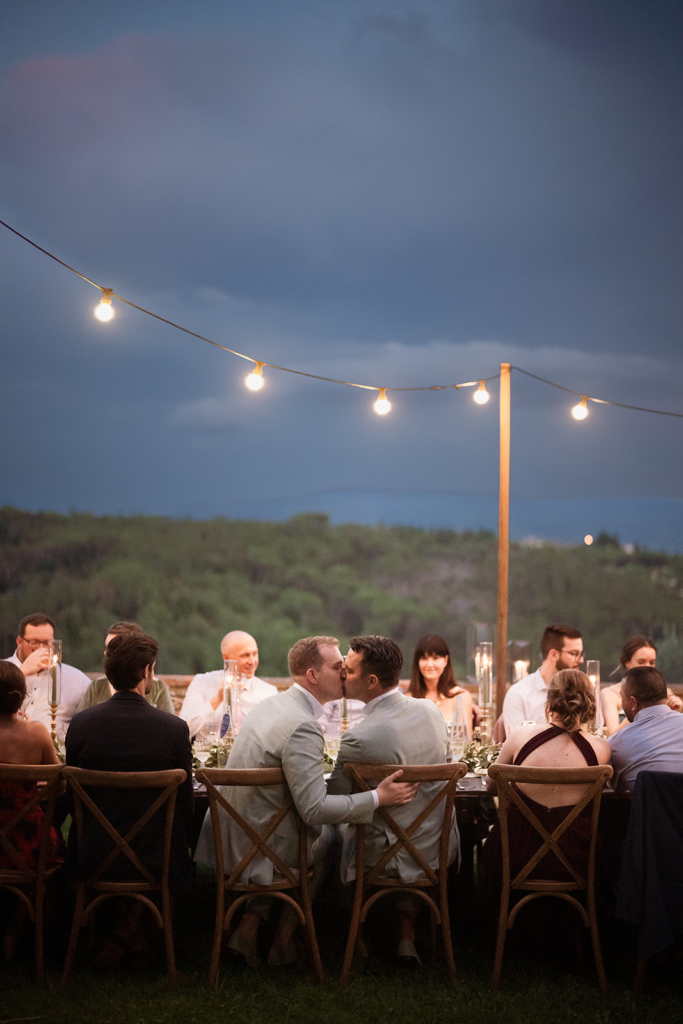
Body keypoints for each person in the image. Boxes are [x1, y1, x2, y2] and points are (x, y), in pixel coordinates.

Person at [194, 635, 418, 967]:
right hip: (255, 845)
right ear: (312, 675)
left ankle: (250, 930)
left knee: (319, 832)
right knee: (333, 840)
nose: (344, 673)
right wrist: (377, 796)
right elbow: (314, 809)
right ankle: (285, 941)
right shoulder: (303, 726)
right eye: (337, 666)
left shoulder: (274, 704)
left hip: (229, 834)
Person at [65, 633, 194, 965]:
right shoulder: (174, 728)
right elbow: (184, 808)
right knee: (164, 835)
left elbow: (71, 802)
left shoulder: (80, 725)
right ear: (147, 671)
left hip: (94, 851)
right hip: (156, 856)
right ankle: (133, 930)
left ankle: (123, 931)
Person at [329, 635, 454, 966]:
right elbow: (447, 768)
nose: (342, 673)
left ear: (371, 681)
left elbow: (333, 801)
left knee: (337, 835)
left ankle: (352, 934)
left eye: (349, 670)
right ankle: (406, 934)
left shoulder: (358, 736)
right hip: (433, 844)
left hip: (383, 853)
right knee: (402, 824)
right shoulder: (431, 711)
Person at [484, 669, 610, 882]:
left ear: (549, 702)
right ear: (589, 702)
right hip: (575, 855)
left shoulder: (521, 737)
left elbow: (491, 786)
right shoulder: (601, 749)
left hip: (516, 852)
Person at [0, 661, 62, 957]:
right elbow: (58, 784)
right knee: (43, 844)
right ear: (21, 695)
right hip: (27, 845)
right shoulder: (37, 733)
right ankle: (14, 930)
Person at [178, 630, 277, 739]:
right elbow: (183, 729)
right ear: (226, 657)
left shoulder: (269, 691)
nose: (252, 661)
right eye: (245, 655)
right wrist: (217, 700)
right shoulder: (201, 682)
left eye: (255, 654)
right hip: (209, 754)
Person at [4, 613, 91, 733]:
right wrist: (21, 672)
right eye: (34, 642)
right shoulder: (2, 669)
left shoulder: (76, 678)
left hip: (56, 749)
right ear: (19, 641)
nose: (41, 648)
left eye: (46, 643)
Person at [608, 666, 683, 792]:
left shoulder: (617, 744)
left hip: (653, 811)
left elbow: (616, 788)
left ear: (633, 702)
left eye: (622, 697)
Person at [502, 624, 585, 735]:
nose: (581, 660)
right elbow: (516, 744)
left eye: (581, 654)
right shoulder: (518, 694)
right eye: (574, 654)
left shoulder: (585, 693)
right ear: (554, 654)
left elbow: (596, 735)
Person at [76, 621, 173, 714]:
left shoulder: (157, 687)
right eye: (106, 647)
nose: (105, 653)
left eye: (113, 647)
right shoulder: (97, 686)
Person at [600, 637, 682, 736]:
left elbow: (665, 734)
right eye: (641, 662)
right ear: (627, 662)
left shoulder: (663, 692)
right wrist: (642, 709)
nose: (647, 666)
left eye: (652, 662)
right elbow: (613, 735)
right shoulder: (610, 694)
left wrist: (674, 712)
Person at [407, 634, 473, 740]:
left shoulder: (461, 696)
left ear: (446, 660)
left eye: (435, 658)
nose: (429, 664)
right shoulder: (407, 700)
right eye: (424, 658)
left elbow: (466, 742)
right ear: (417, 662)